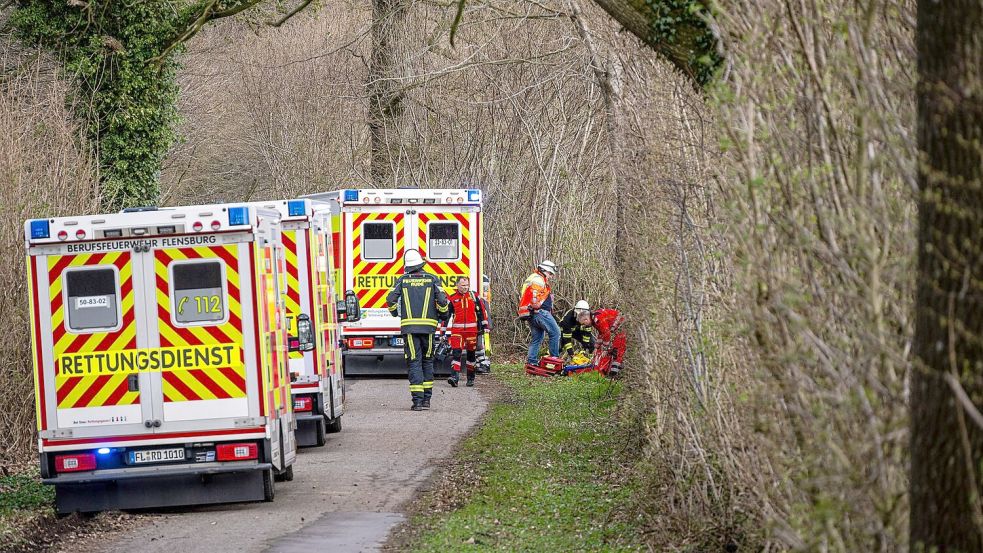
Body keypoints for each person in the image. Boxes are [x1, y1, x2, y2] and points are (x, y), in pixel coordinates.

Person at [386, 249, 449, 411]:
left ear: (407, 266)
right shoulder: (433, 279)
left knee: (414, 362)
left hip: (410, 329)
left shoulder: (403, 280)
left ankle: (417, 402)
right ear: (421, 264)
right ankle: (427, 400)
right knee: (427, 361)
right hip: (428, 329)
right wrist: (444, 315)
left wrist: (394, 313)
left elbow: (390, 299)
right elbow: (442, 301)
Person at [442, 276, 490, 387]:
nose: (465, 287)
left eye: (467, 285)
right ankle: (454, 377)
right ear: (457, 285)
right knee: (456, 353)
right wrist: (442, 332)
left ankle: (470, 378)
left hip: (472, 331)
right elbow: (446, 317)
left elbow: (482, 312)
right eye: (463, 285)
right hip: (457, 331)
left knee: (471, 355)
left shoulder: (474, 296)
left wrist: (485, 325)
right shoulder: (452, 298)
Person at [517, 260, 560, 368]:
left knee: (537, 338)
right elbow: (534, 295)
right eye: (550, 273)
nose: (550, 276)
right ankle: (554, 361)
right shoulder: (538, 280)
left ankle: (531, 362)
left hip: (531, 313)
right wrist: (536, 306)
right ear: (544, 270)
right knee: (555, 332)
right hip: (539, 312)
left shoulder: (532, 277)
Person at [590, 308, 626, 376]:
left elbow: (606, 333)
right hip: (615, 328)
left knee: (617, 351)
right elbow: (601, 333)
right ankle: (607, 372)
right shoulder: (595, 320)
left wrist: (605, 349)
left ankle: (613, 375)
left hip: (619, 328)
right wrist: (596, 348)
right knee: (610, 351)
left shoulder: (598, 320)